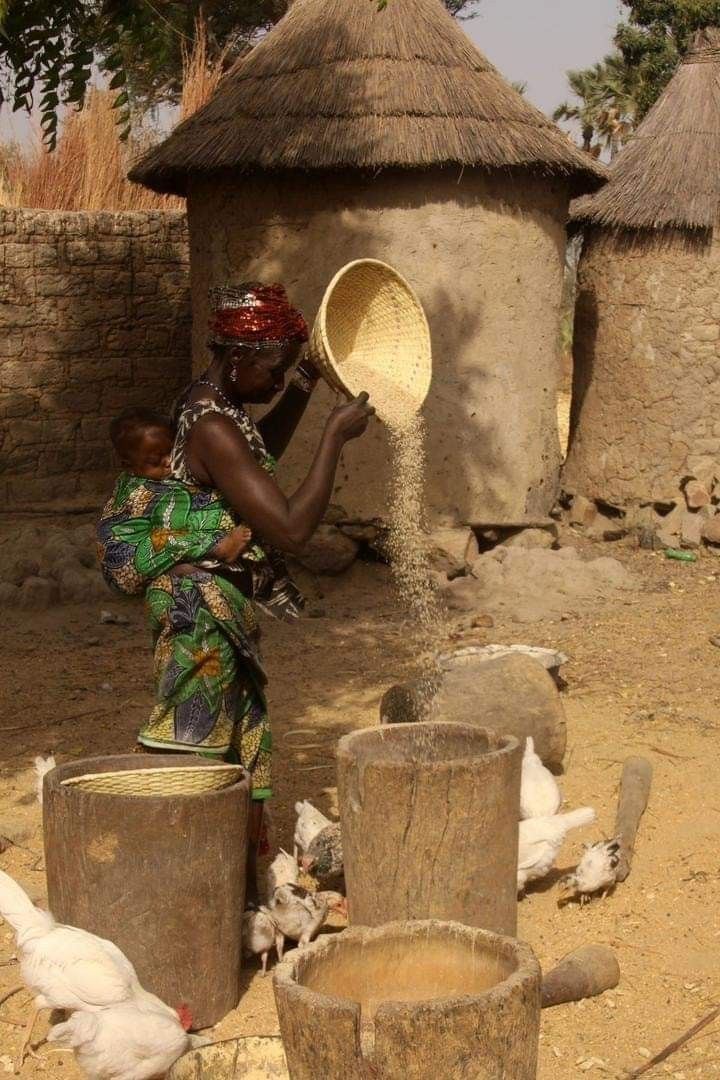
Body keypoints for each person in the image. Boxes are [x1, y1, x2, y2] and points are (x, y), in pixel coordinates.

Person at [137, 282, 374, 898]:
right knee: (197, 750)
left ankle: (232, 889)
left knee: (231, 745)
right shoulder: (213, 423)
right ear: (239, 356)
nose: (276, 381)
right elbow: (292, 530)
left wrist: (304, 386)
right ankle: (185, 886)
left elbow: (253, 452)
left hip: (217, 606)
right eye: (274, 369)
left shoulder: (209, 401)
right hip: (201, 614)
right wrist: (332, 439)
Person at [97, 408, 253, 597]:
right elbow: (179, 519)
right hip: (126, 564)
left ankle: (176, 576)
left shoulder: (156, 480)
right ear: (128, 465)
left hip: (149, 566)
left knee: (178, 553)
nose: (169, 461)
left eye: (172, 451)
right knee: (166, 539)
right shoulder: (141, 493)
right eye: (155, 461)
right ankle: (220, 547)